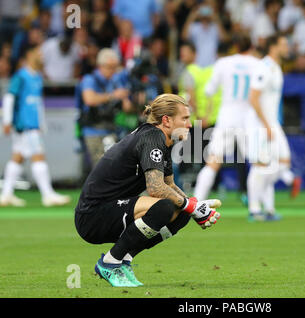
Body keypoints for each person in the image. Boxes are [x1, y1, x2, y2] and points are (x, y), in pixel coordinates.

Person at [74, 94, 222, 287]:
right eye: (184, 119)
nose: (189, 124)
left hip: (112, 210)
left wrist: (194, 208)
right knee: (165, 207)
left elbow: (169, 185)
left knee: (181, 212)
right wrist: (191, 206)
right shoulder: (152, 138)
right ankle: (110, 263)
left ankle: (123, 260)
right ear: (166, 120)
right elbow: (156, 189)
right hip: (92, 215)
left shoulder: (161, 140)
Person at [0, 44, 71, 207]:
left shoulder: (37, 77)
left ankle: (6, 195)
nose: (41, 55)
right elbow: (10, 98)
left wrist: (42, 123)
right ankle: (48, 195)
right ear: (29, 55)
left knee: (18, 156)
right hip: (24, 124)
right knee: (38, 156)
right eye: (38, 52)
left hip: (32, 124)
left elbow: (37, 103)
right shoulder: (21, 76)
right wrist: (7, 121)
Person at [193, 35, 259, 201]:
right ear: (251, 47)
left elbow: (209, 91)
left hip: (227, 117)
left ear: (236, 47)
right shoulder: (257, 64)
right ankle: (257, 207)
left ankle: (196, 203)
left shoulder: (223, 63)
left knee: (213, 162)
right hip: (248, 119)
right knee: (258, 165)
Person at [247, 34, 301, 222]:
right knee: (261, 166)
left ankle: (266, 205)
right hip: (260, 124)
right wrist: (265, 124)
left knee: (282, 162)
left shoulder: (276, 67)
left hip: (272, 123)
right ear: (273, 46)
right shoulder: (263, 67)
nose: (287, 47)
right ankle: (255, 209)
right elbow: (253, 98)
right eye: (284, 44)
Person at [78, 48, 133, 168]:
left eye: (115, 67)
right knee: (100, 167)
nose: (113, 71)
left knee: (114, 165)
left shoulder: (115, 81)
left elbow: (127, 107)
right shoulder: (90, 79)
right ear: (100, 66)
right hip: (93, 128)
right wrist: (113, 95)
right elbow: (90, 99)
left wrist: (124, 96)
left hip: (110, 128)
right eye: (110, 67)